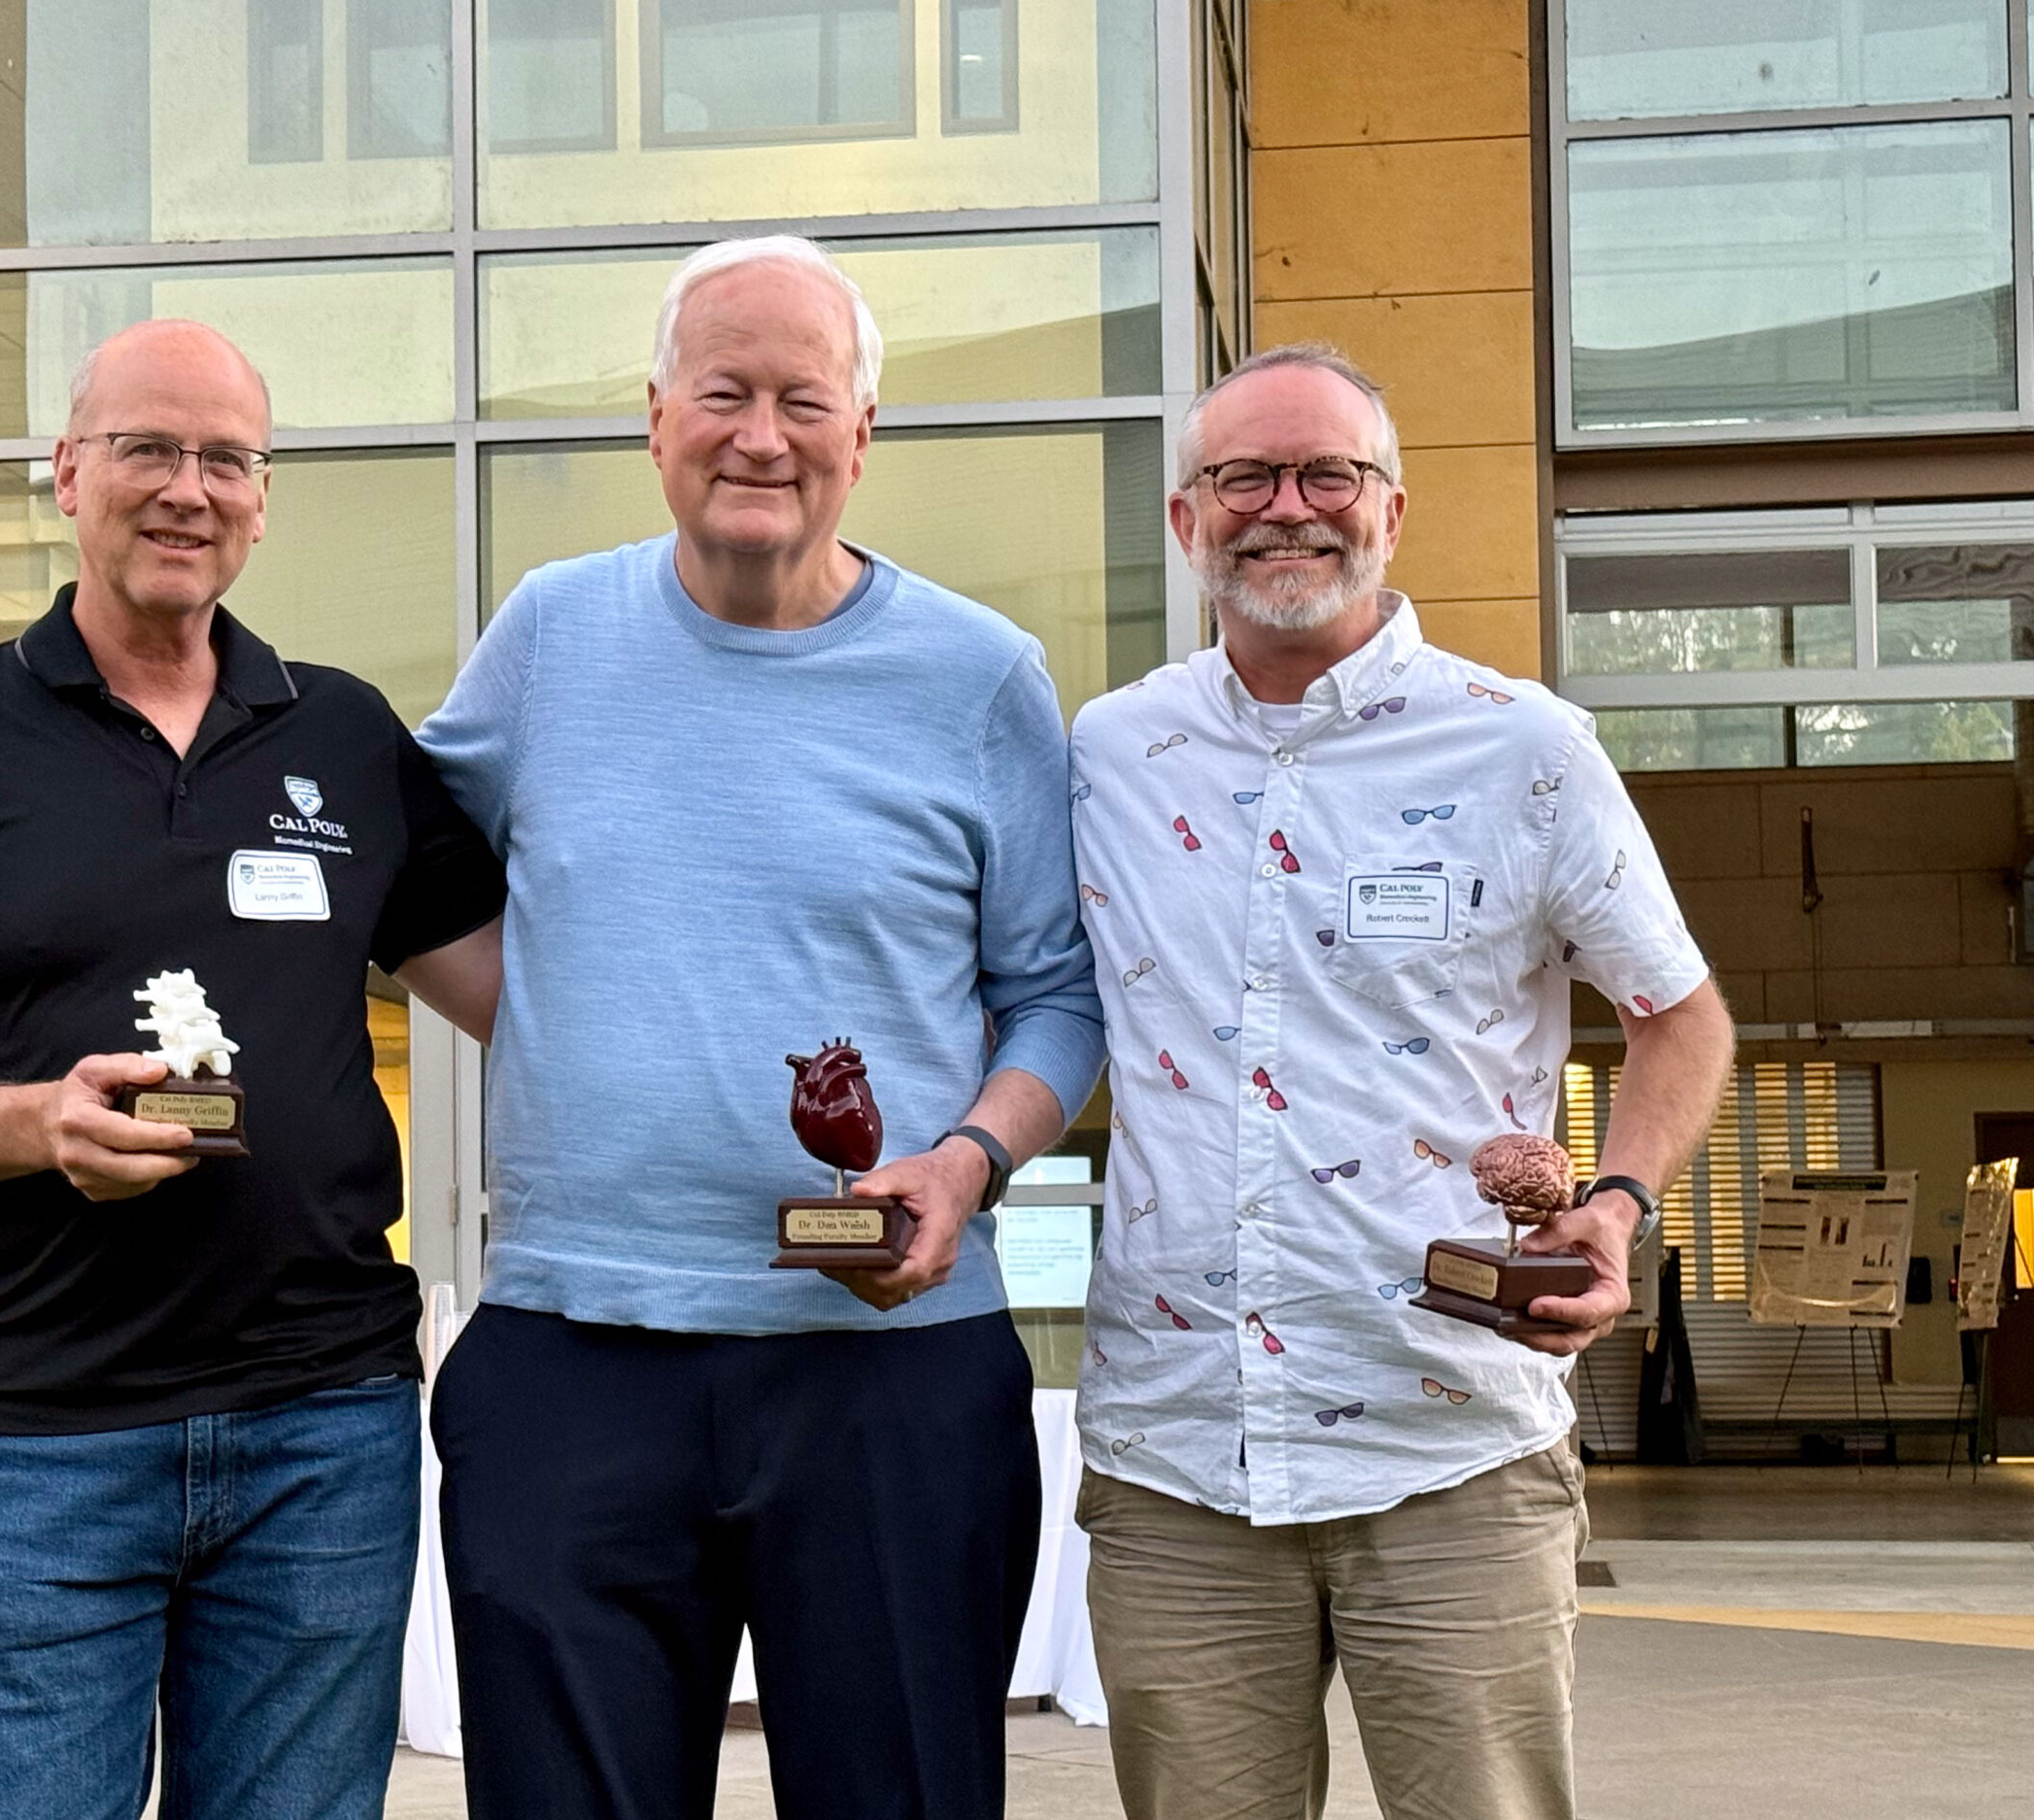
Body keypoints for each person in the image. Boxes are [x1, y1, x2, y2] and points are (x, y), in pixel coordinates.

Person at [0, 320, 505, 1820]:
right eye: (146, 449)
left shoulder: (347, 737)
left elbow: (528, 999)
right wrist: (39, 1123)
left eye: (226, 458)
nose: (188, 488)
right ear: (66, 472)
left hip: (326, 1433)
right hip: (36, 1446)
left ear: (261, 494)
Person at [417, 235, 1106, 1820]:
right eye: (722, 393)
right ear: (655, 420)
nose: (761, 435)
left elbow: (1057, 996)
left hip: (889, 1371)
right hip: (577, 1351)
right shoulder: (549, 635)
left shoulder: (979, 675)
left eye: (806, 399)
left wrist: (970, 1163)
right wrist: (564, 1019)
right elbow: (408, 883)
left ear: (864, 435)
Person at [1068, 342, 1736, 1820]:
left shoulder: (1527, 750)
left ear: (1393, 511)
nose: (1286, 508)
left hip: (1452, 1439)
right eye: (1245, 476)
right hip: (1181, 1451)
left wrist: (1615, 1205)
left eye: (1329, 476)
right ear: (1188, 520)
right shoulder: (1112, 756)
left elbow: (1681, 1019)